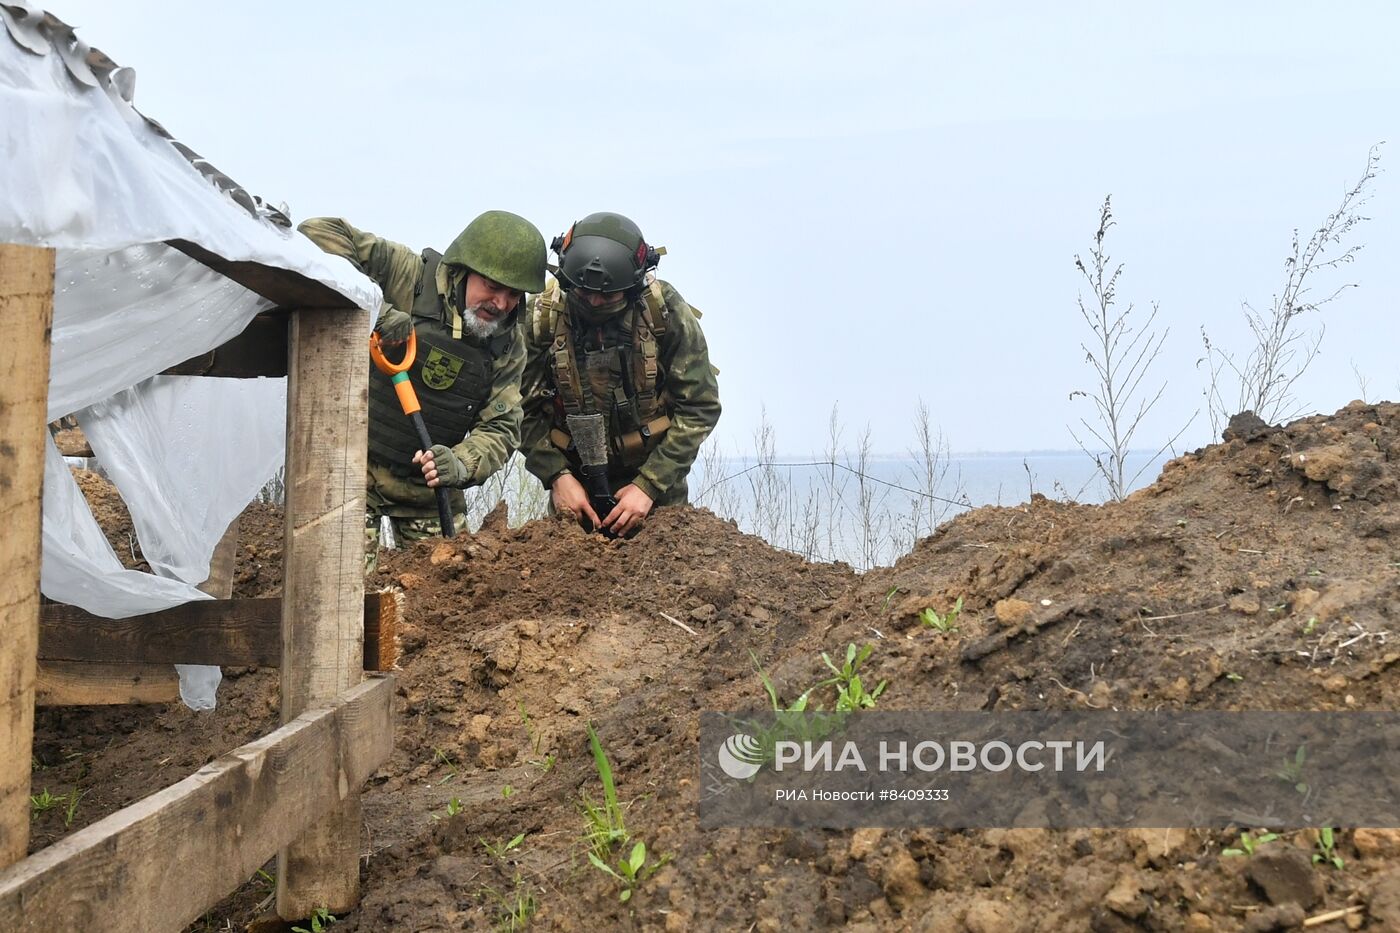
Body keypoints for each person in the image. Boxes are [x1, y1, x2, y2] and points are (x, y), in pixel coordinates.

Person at [298, 211, 546, 566]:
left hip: (427, 490)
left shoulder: (508, 344)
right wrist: (375, 310)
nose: (501, 303)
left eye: (512, 294)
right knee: (342, 587)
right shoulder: (407, 274)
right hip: (350, 470)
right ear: (463, 269)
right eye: (492, 286)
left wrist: (460, 463)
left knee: (455, 592)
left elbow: (501, 428)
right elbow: (317, 232)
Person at [520, 212, 720, 536]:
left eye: (608, 295)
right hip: (574, 490)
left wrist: (649, 485)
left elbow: (700, 407)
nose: (595, 302)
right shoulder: (541, 318)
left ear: (633, 285)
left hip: (656, 492)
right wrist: (556, 476)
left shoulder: (662, 311)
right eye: (585, 294)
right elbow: (518, 410)